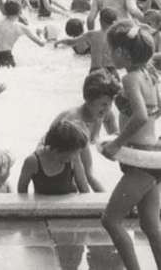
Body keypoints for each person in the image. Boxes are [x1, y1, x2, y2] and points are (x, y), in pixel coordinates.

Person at [100, 22, 161, 269]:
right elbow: (152, 112)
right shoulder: (151, 74)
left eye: (111, 50)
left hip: (141, 162)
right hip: (152, 155)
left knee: (111, 220)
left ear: (124, 53)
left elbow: (140, 116)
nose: (108, 54)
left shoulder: (130, 78)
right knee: (149, 223)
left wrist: (116, 144)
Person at [49, 71, 120, 192]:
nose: (107, 108)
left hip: (73, 157)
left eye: (109, 104)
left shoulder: (105, 114)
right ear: (87, 100)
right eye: (103, 104)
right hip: (53, 164)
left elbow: (117, 144)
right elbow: (88, 175)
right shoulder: (76, 123)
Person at [18, 119, 90, 195]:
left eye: (77, 153)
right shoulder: (32, 162)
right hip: (43, 204)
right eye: (72, 154)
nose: (75, 156)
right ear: (56, 151)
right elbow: (22, 193)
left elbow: (84, 190)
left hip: (69, 204)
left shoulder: (74, 159)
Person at [56, 8, 118, 74]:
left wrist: (59, 42)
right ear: (114, 22)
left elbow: (71, 42)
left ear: (100, 20)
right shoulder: (116, 36)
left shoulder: (92, 34)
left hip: (95, 70)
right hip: (111, 69)